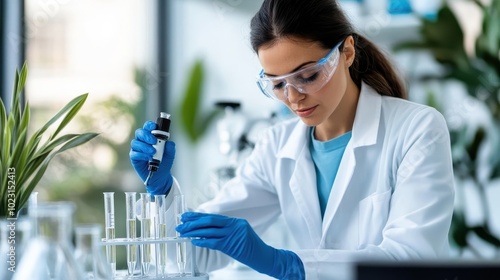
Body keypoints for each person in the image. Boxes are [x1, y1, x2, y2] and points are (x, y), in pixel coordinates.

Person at [129, 0, 455, 279]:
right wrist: (163, 191)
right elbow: (196, 255)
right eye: (277, 84)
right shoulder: (276, 145)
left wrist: (289, 265)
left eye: (308, 76)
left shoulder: (417, 128)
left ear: (347, 52)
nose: (294, 97)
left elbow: (411, 261)